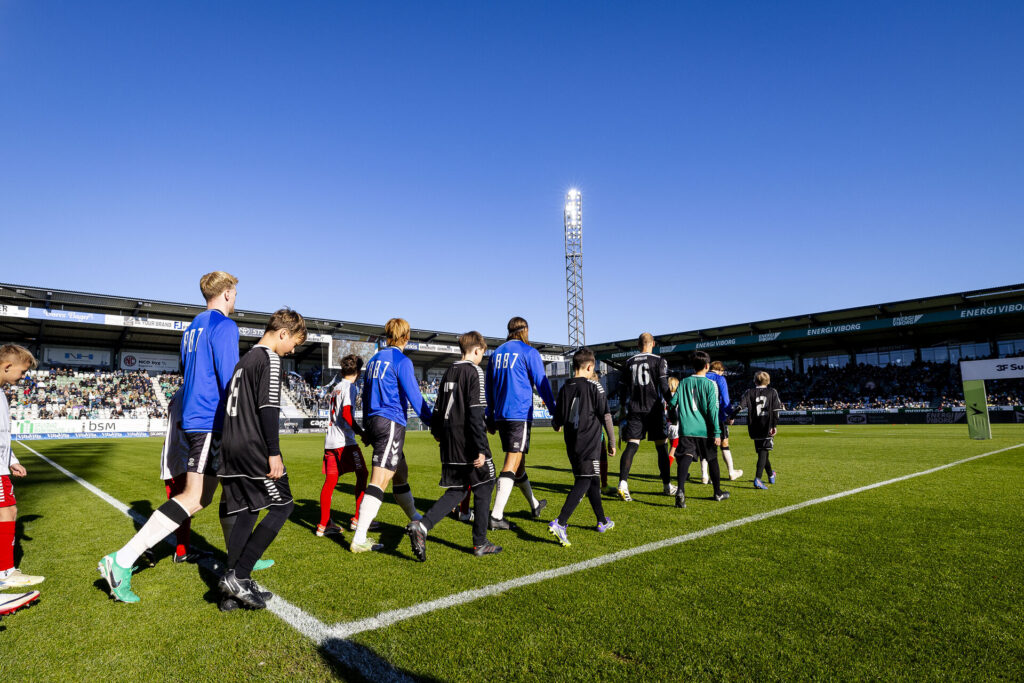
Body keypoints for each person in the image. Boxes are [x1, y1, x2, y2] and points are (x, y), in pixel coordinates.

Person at [100, 271, 240, 603]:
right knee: (193, 497)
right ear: (229, 293)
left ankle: (241, 557)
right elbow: (232, 380)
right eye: (236, 293)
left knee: (209, 495)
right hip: (210, 419)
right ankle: (120, 561)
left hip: (195, 417)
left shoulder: (191, 327)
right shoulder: (224, 326)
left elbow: (187, 371)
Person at [217, 308, 305, 610]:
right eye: (293, 342)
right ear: (283, 333)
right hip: (253, 448)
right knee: (284, 505)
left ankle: (229, 595)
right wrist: (273, 451)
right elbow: (269, 408)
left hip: (229, 448)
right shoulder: (269, 358)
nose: (293, 349)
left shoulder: (244, 361)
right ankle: (239, 576)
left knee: (248, 512)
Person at [406, 331, 500, 560]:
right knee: (486, 482)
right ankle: (480, 542)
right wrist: (480, 447)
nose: (481, 358)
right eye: (482, 353)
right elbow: (476, 412)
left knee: (459, 488)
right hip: (467, 439)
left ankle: (423, 526)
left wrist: (437, 432)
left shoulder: (450, 370)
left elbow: (439, 406)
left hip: (449, 439)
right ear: (477, 350)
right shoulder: (474, 371)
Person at [349, 318, 432, 553]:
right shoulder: (401, 360)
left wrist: (366, 427)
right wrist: (433, 423)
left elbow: (365, 397)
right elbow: (415, 398)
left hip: (375, 421)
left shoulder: (375, 360)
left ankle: (415, 516)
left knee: (400, 472)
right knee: (380, 479)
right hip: (391, 422)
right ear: (406, 337)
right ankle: (360, 537)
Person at [485, 316, 555, 529]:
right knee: (511, 463)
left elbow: (488, 386)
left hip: (501, 415)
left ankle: (534, 505)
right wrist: (554, 412)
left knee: (518, 465)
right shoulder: (529, 352)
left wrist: (490, 414)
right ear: (525, 330)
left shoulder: (496, 354)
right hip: (519, 414)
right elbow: (542, 384)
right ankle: (496, 517)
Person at [548, 347, 616, 547]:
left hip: (572, 443)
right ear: (590, 366)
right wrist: (612, 442)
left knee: (592, 479)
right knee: (584, 481)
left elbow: (557, 421)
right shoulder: (595, 386)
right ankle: (560, 522)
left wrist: (556, 425)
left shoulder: (565, 387)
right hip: (590, 443)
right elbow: (606, 416)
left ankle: (602, 521)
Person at [0, 344, 44, 590]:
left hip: (2, 467)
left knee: (9, 512)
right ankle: (5, 572)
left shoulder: (2, 393)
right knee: (8, 513)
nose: (24, 377)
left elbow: (2, 435)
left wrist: (12, 460)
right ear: (7, 366)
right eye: (23, 371)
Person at [615, 333, 673, 501]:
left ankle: (623, 484)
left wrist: (621, 407)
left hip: (635, 410)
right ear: (653, 343)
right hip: (654, 410)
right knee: (662, 448)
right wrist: (673, 404)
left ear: (637, 344)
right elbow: (663, 386)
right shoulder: (659, 360)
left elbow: (622, 388)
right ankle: (667, 486)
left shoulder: (629, 362)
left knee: (632, 446)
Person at [318, 354, 371, 536]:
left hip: (330, 441)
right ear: (357, 371)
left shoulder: (336, 388)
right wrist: (362, 433)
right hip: (345, 442)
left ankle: (323, 524)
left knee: (330, 481)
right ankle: (358, 519)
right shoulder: (350, 387)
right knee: (363, 474)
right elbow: (347, 414)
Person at [668, 351, 729, 508]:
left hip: (686, 429)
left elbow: (671, 403)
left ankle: (680, 490)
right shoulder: (710, 384)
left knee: (685, 457)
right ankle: (717, 492)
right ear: (707, 366)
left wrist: (674, 419)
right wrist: (717, 432)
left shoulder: (683, 382)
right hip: (705, 430)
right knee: (712, 459)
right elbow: (712, 410)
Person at [732, 371, 784, 489]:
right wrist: (774, 426)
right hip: (767, 425)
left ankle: (771, 474)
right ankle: (758, 479)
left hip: (754, 426)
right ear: (768, 381)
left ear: (755, 381)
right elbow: (776, 411)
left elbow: (740, 406)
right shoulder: (772, 392)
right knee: (763, 452)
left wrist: (731, 417)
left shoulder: (749, 392)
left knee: (763, 452)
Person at [706, 361, 743, 481]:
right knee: (724, 444)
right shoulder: (720, 379)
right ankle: (731, 472)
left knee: (707, 445)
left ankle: (705, 475)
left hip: (702, 417)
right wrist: (731, 415)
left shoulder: (701, 376)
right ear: (720, 370)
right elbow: (725, 400)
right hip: (718, 416)